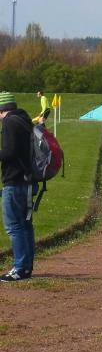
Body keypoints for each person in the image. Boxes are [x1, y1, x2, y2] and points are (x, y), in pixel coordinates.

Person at [0, 92, 37, 282]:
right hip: (28, 180)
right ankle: (26, 266)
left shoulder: (9, 123)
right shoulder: (24, 120)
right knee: (25, 225)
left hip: (14, 181)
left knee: (14, 226)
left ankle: (20, 267)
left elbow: (9, 153)